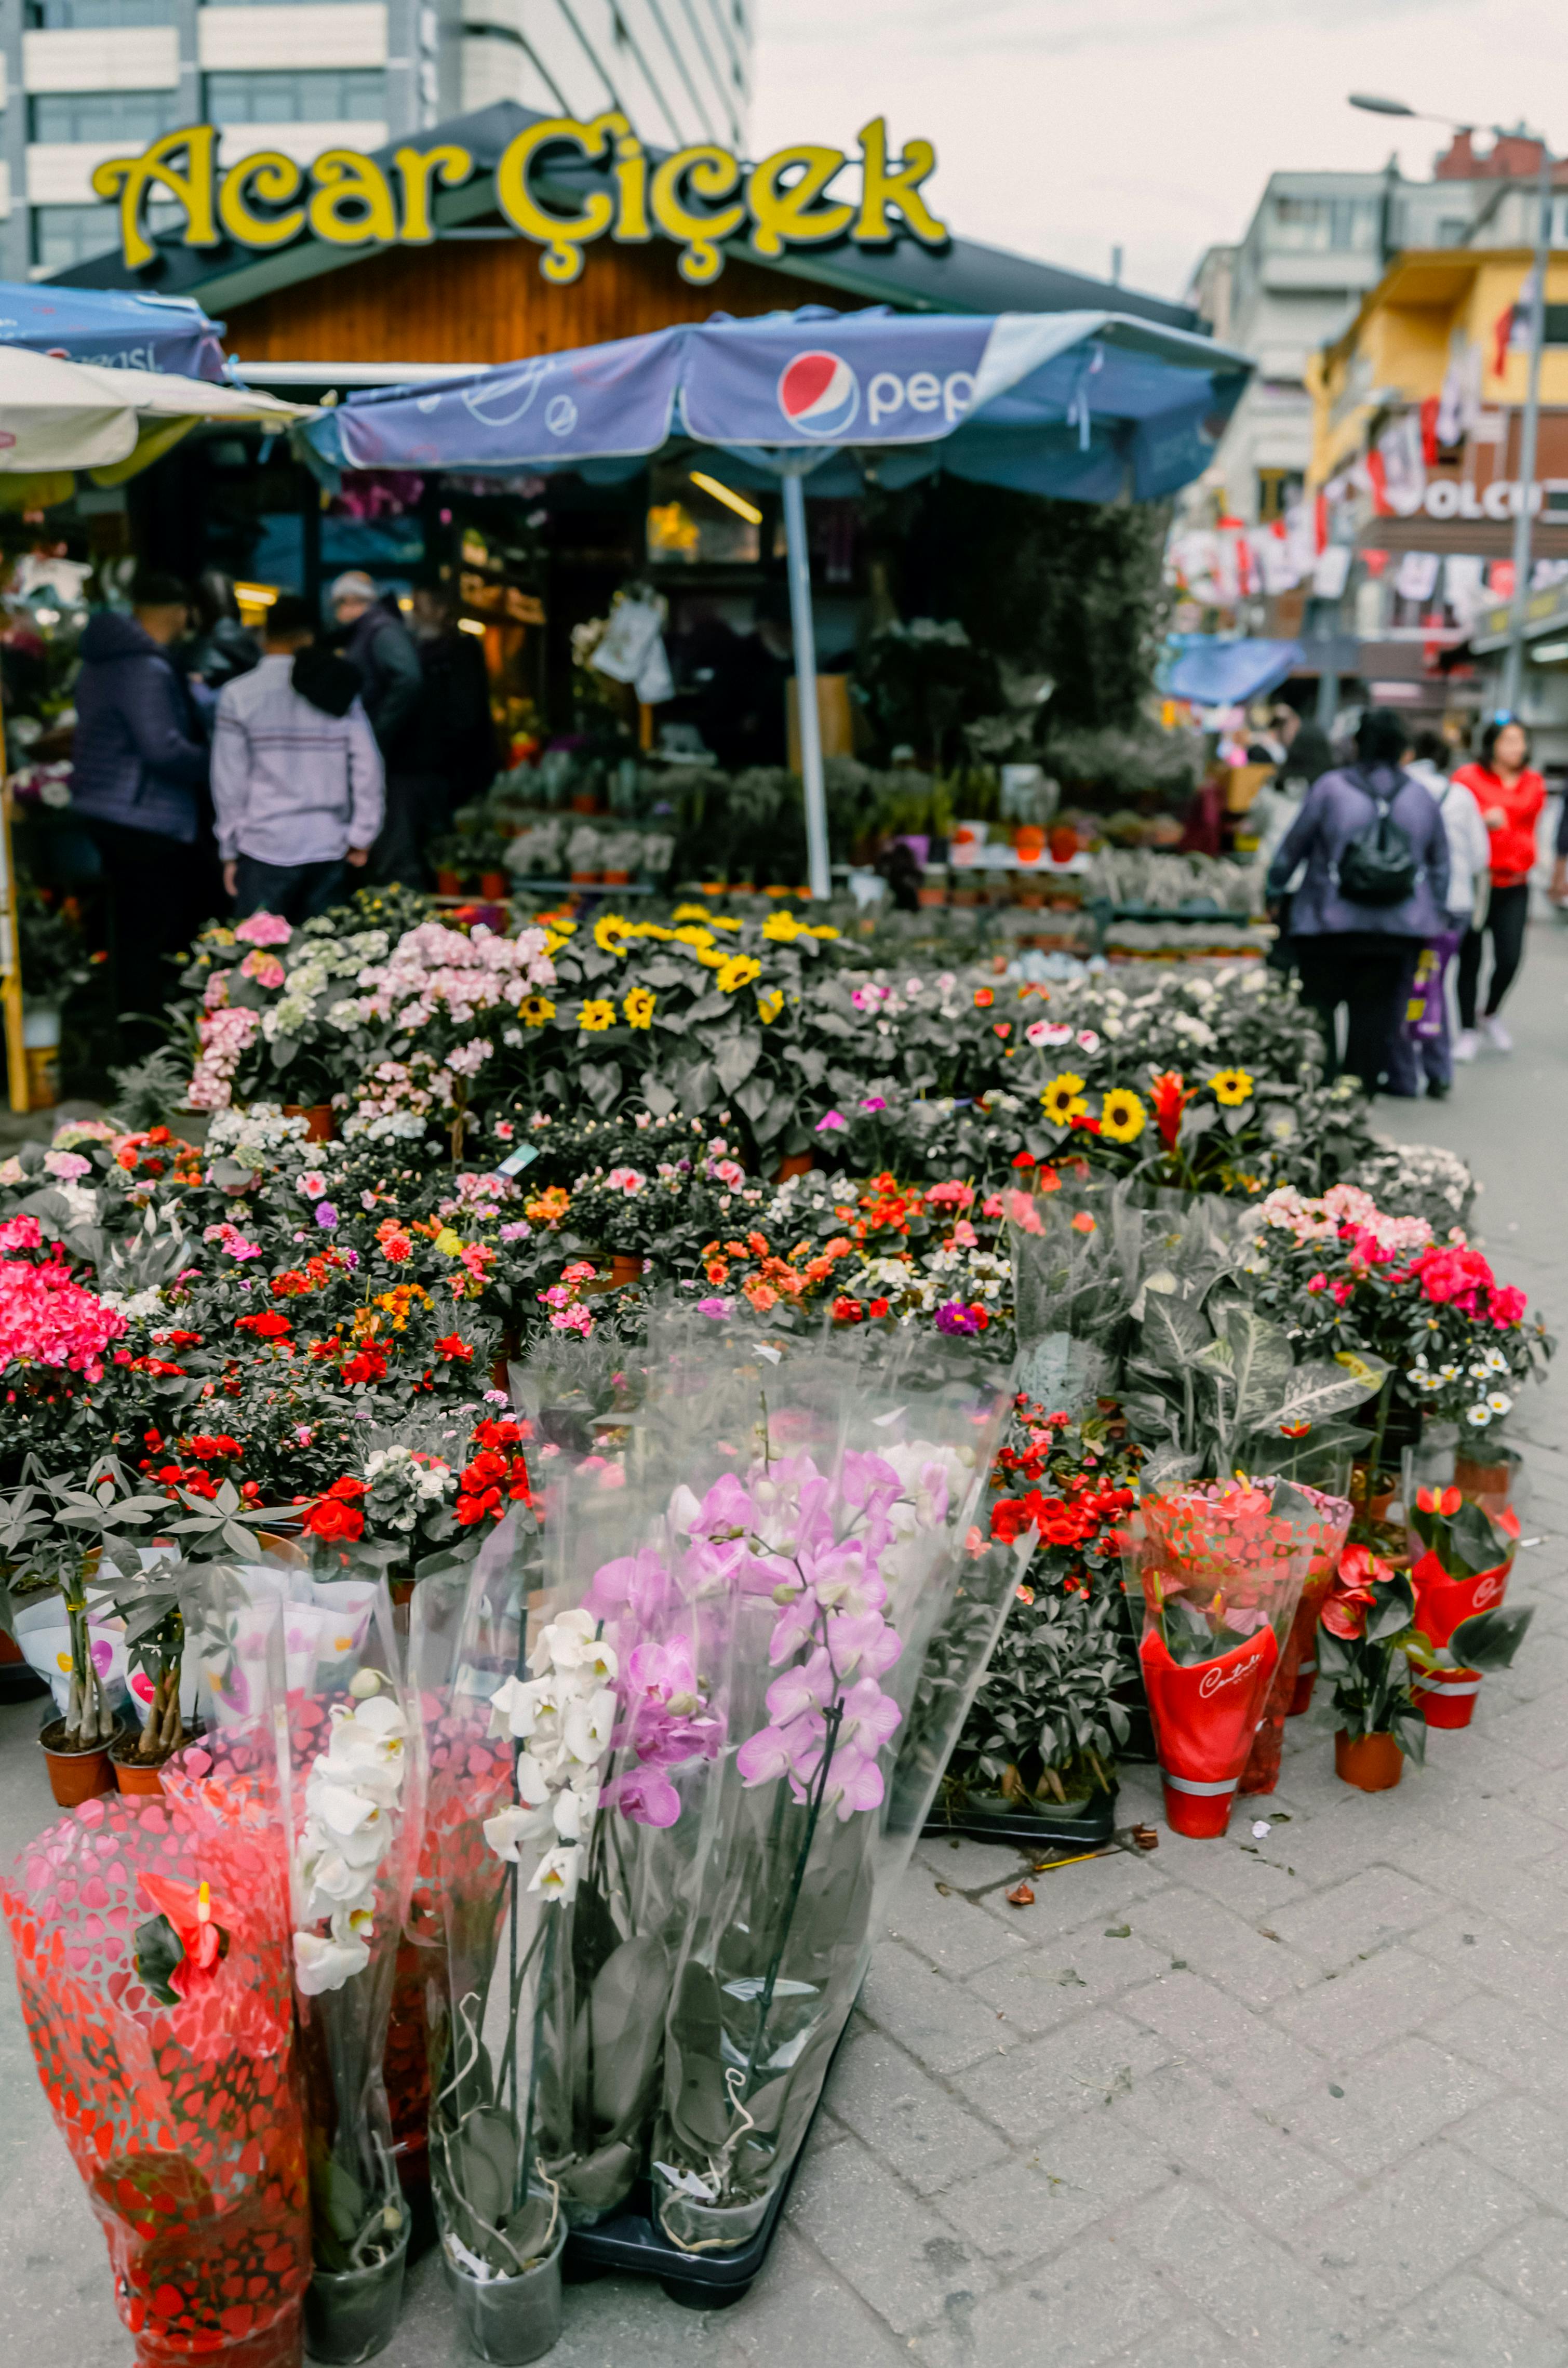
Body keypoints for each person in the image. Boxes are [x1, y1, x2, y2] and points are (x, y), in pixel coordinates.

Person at [1265, 706, 1449, 1093]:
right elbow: (1439, 865)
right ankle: (1357, 1089)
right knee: (1376, 1014)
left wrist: (1274, 890)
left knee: (1319, 1005)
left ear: (1356, 743)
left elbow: (1292, 847)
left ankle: (1323, 1083)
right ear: (1402, 748)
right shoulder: (1420, 796)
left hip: (1326, 922)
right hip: (1396, 929)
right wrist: (1433, 913)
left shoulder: (1330, 788)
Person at [71, 569, 213, 1053]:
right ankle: (145, 1044)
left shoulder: (101, 660)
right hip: (143, 814)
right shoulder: (145, 668)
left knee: (132, 932)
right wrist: (214, 759)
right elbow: (163, 748)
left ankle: (131, 1037)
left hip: (109, 808)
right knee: (150, 935)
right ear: (178, 612)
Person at [211, 593, 384, 925]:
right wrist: (363, 834)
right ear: (308, 637)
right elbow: (367, 767)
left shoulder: (238, 694)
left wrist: (229, 849)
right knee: (325, 964)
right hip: (330, 844)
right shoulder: (339, 690)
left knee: (258, 966)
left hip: (263, 846)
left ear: (264, 635)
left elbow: (229, 781)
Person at [1388, 730, 1490, 1101]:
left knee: (1403, 986)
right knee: (1433, 985)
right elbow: (1480, 857)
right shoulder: (1460, 795)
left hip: (1408, 906)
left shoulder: (1399, 790)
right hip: (1455, 905)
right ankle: (1438, 1069)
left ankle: (1402, 1074)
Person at [1453, 718, 1545, 1058]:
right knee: (1470, 958)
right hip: (1478, 883)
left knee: (1509, 958)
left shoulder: (1533, 782)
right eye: (1508, 741)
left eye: (1520, 741)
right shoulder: (1466, 778)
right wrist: (1481, 817)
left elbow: (1520, 817)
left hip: (1515, 884)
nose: (1516, 748)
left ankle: (1488, 1013)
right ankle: (1465, 1029)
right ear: (1491, 744)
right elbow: (1454, 818)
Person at [329, 570, 423, 885]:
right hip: (395, 755)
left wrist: (377, 731)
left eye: (339, 605)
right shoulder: (375, 630)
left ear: (353, 601)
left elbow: (408, 680)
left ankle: (405, 919)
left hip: (396, 759)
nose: (337, 614)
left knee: (395, 848)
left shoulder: (380, 631)